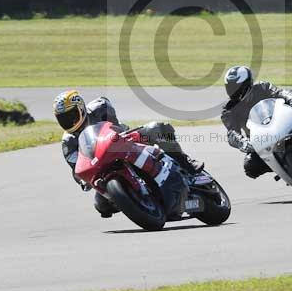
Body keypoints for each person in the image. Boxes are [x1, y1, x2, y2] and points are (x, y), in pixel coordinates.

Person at [53, 90, 203, 218]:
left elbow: (116, 126)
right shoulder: (68, 143)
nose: (69, 121)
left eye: (71, 115)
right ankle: (138, 202)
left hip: (129, 139)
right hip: (103, 167)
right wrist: (83, 180)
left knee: (158, 129)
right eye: (63, 119)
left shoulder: (100, 107)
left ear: (81, 108)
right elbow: (77, 168)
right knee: (101, 205)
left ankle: (185, 160)